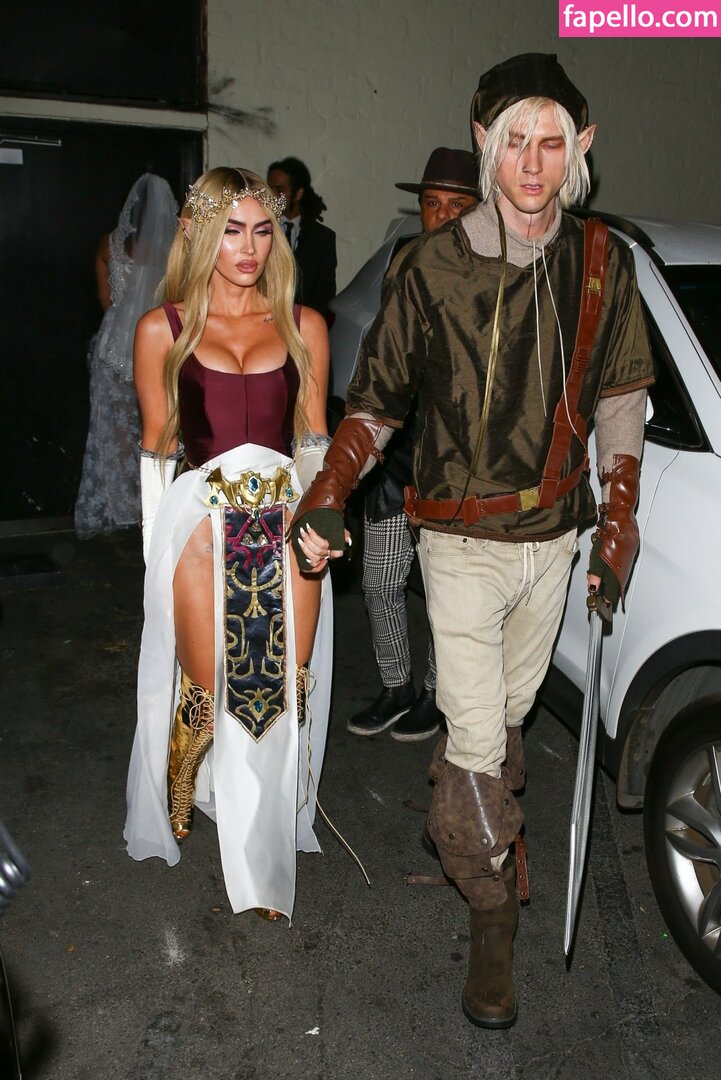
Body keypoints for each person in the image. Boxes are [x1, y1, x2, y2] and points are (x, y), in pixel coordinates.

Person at [289, 54, 654, 1026]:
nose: (531, 164)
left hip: (555, 540)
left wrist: (618, 516)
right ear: (487, 144)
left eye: (550, 142)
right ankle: (490, 913)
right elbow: (375, 403)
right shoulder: (429, 267)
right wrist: (328, 493)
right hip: (455, 543)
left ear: (579, 147)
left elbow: (621, 396)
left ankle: (472, 811)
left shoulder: (601, 262)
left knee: (502, 722)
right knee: (480, 737)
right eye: (514, 142)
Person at [123, 167, 337, 922]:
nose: (248, 248)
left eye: (262, 230)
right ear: (198, 235)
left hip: (285, 517)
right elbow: (157, 451)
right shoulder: (163, 329)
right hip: (198, 523)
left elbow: (314, 442)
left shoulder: (304, 325)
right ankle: (187, 777)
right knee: (211, 686)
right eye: (231, 231)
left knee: (283, 689)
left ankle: (264, 855)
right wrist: (156, 557)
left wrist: (322, 518)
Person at [348, 148, 479, 742]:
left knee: (445, 593)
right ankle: (396, 684)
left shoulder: (496, 273)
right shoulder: (404, 259)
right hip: (398, 447)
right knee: (380, 580)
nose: (443, 216)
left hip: (456, 460)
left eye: (458, 205)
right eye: (432, 204)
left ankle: (435, 693)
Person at [75, 173, 178, 538]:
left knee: (115, 428)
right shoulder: (172, 250)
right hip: (158, 341)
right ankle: (155, 503)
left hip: (114, 341)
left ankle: (122, 505)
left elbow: (104, 298)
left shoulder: (109, 244)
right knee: (158, 424)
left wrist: (121, 325)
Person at [267, 157, 337, 319]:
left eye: (279, 190)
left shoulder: (322, 238)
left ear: (298, 194)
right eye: (269, 189)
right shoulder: (261, 230)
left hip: (305, 323)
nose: (272, 195)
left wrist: (305, 322)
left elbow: (324, 293)